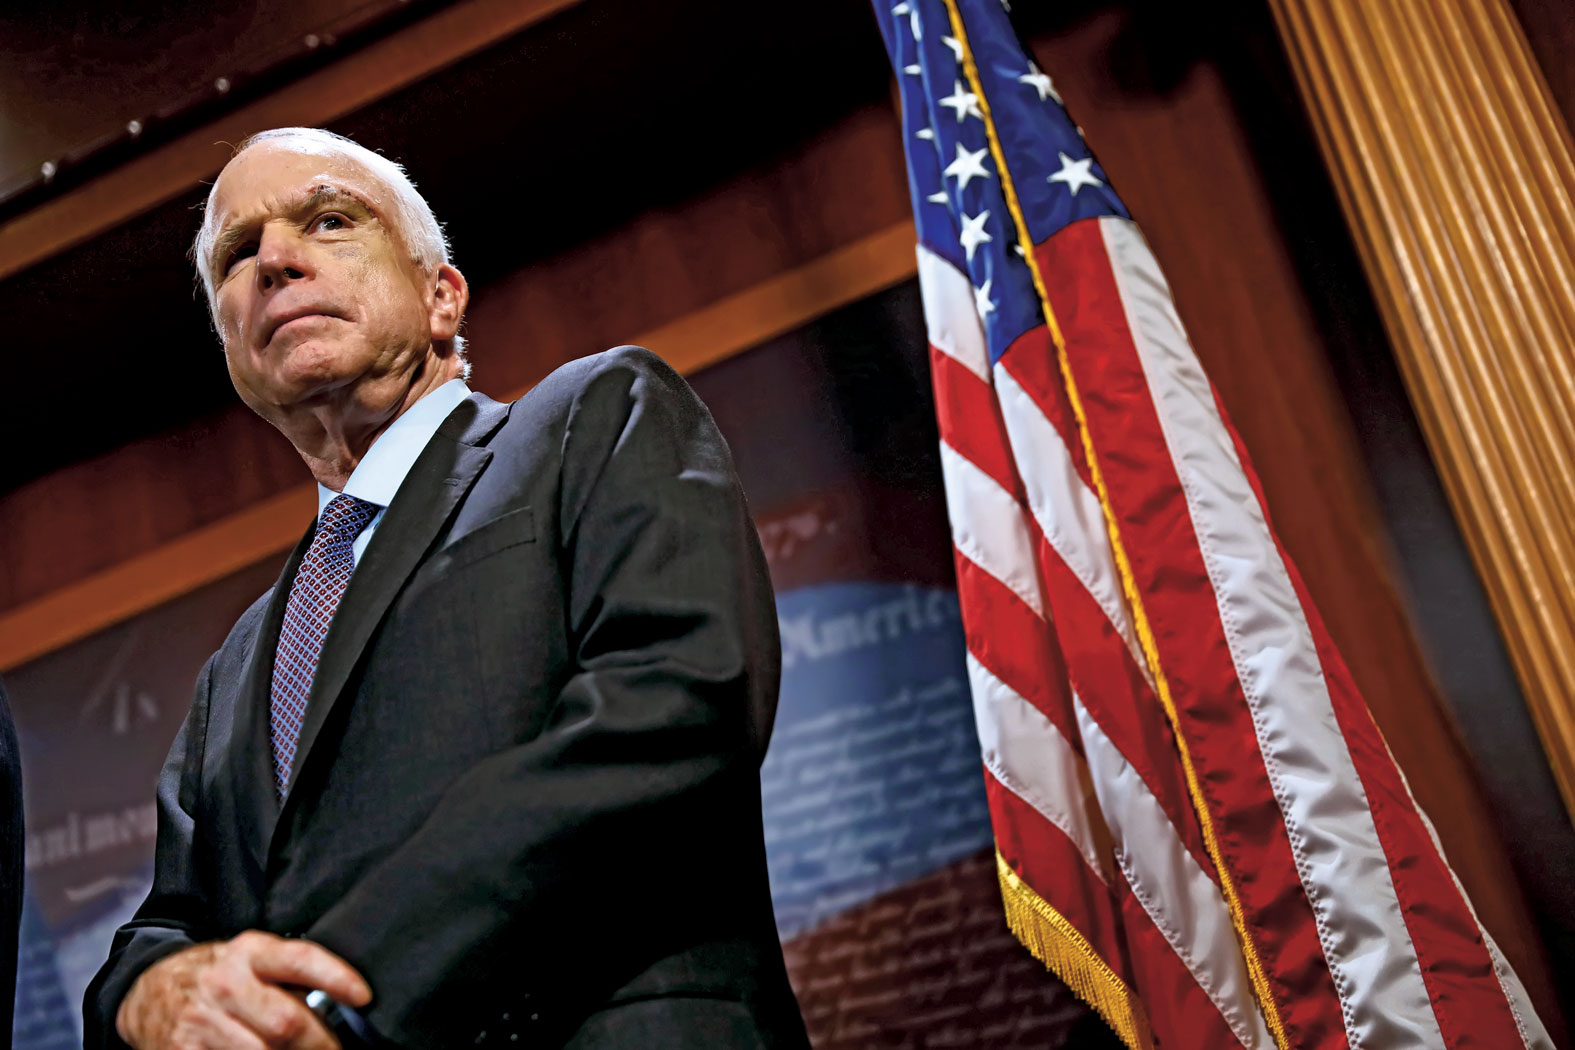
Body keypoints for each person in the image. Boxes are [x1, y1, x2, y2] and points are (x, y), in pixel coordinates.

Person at [82, 127, 808, 1050]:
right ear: (232, 349)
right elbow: (171, 916)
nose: (273, 260)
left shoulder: (593, 419)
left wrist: (339, 990)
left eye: (329, 220)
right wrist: (147, 997)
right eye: (237, 253)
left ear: (441, 296)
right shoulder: (234, 667)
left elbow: (675, 704)